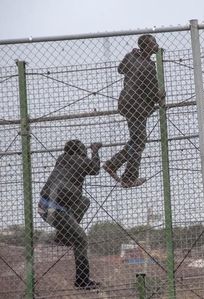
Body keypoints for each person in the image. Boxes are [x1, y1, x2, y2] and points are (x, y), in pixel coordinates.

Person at [38, 140, 102, 290]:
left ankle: (62, 236)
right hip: (55, 210)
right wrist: (95, 150)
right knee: (81, 239)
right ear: (81, 151)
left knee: (84, 201)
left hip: (45, 206)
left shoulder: (62, 159)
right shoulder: (80, 160)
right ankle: (82, 280)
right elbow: (95, 169)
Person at [103, 34, 163, 188]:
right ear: (147, 46)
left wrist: (132, 54)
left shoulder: (131, 56)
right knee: (138, 143)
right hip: (138, 108)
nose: (156, 45)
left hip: (126, 103)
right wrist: (160, 95)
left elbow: (120, 69)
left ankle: (112, 164)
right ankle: (128, 177)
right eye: (153, 43)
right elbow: (152, 92)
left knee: (136, 141)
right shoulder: (149, 66)